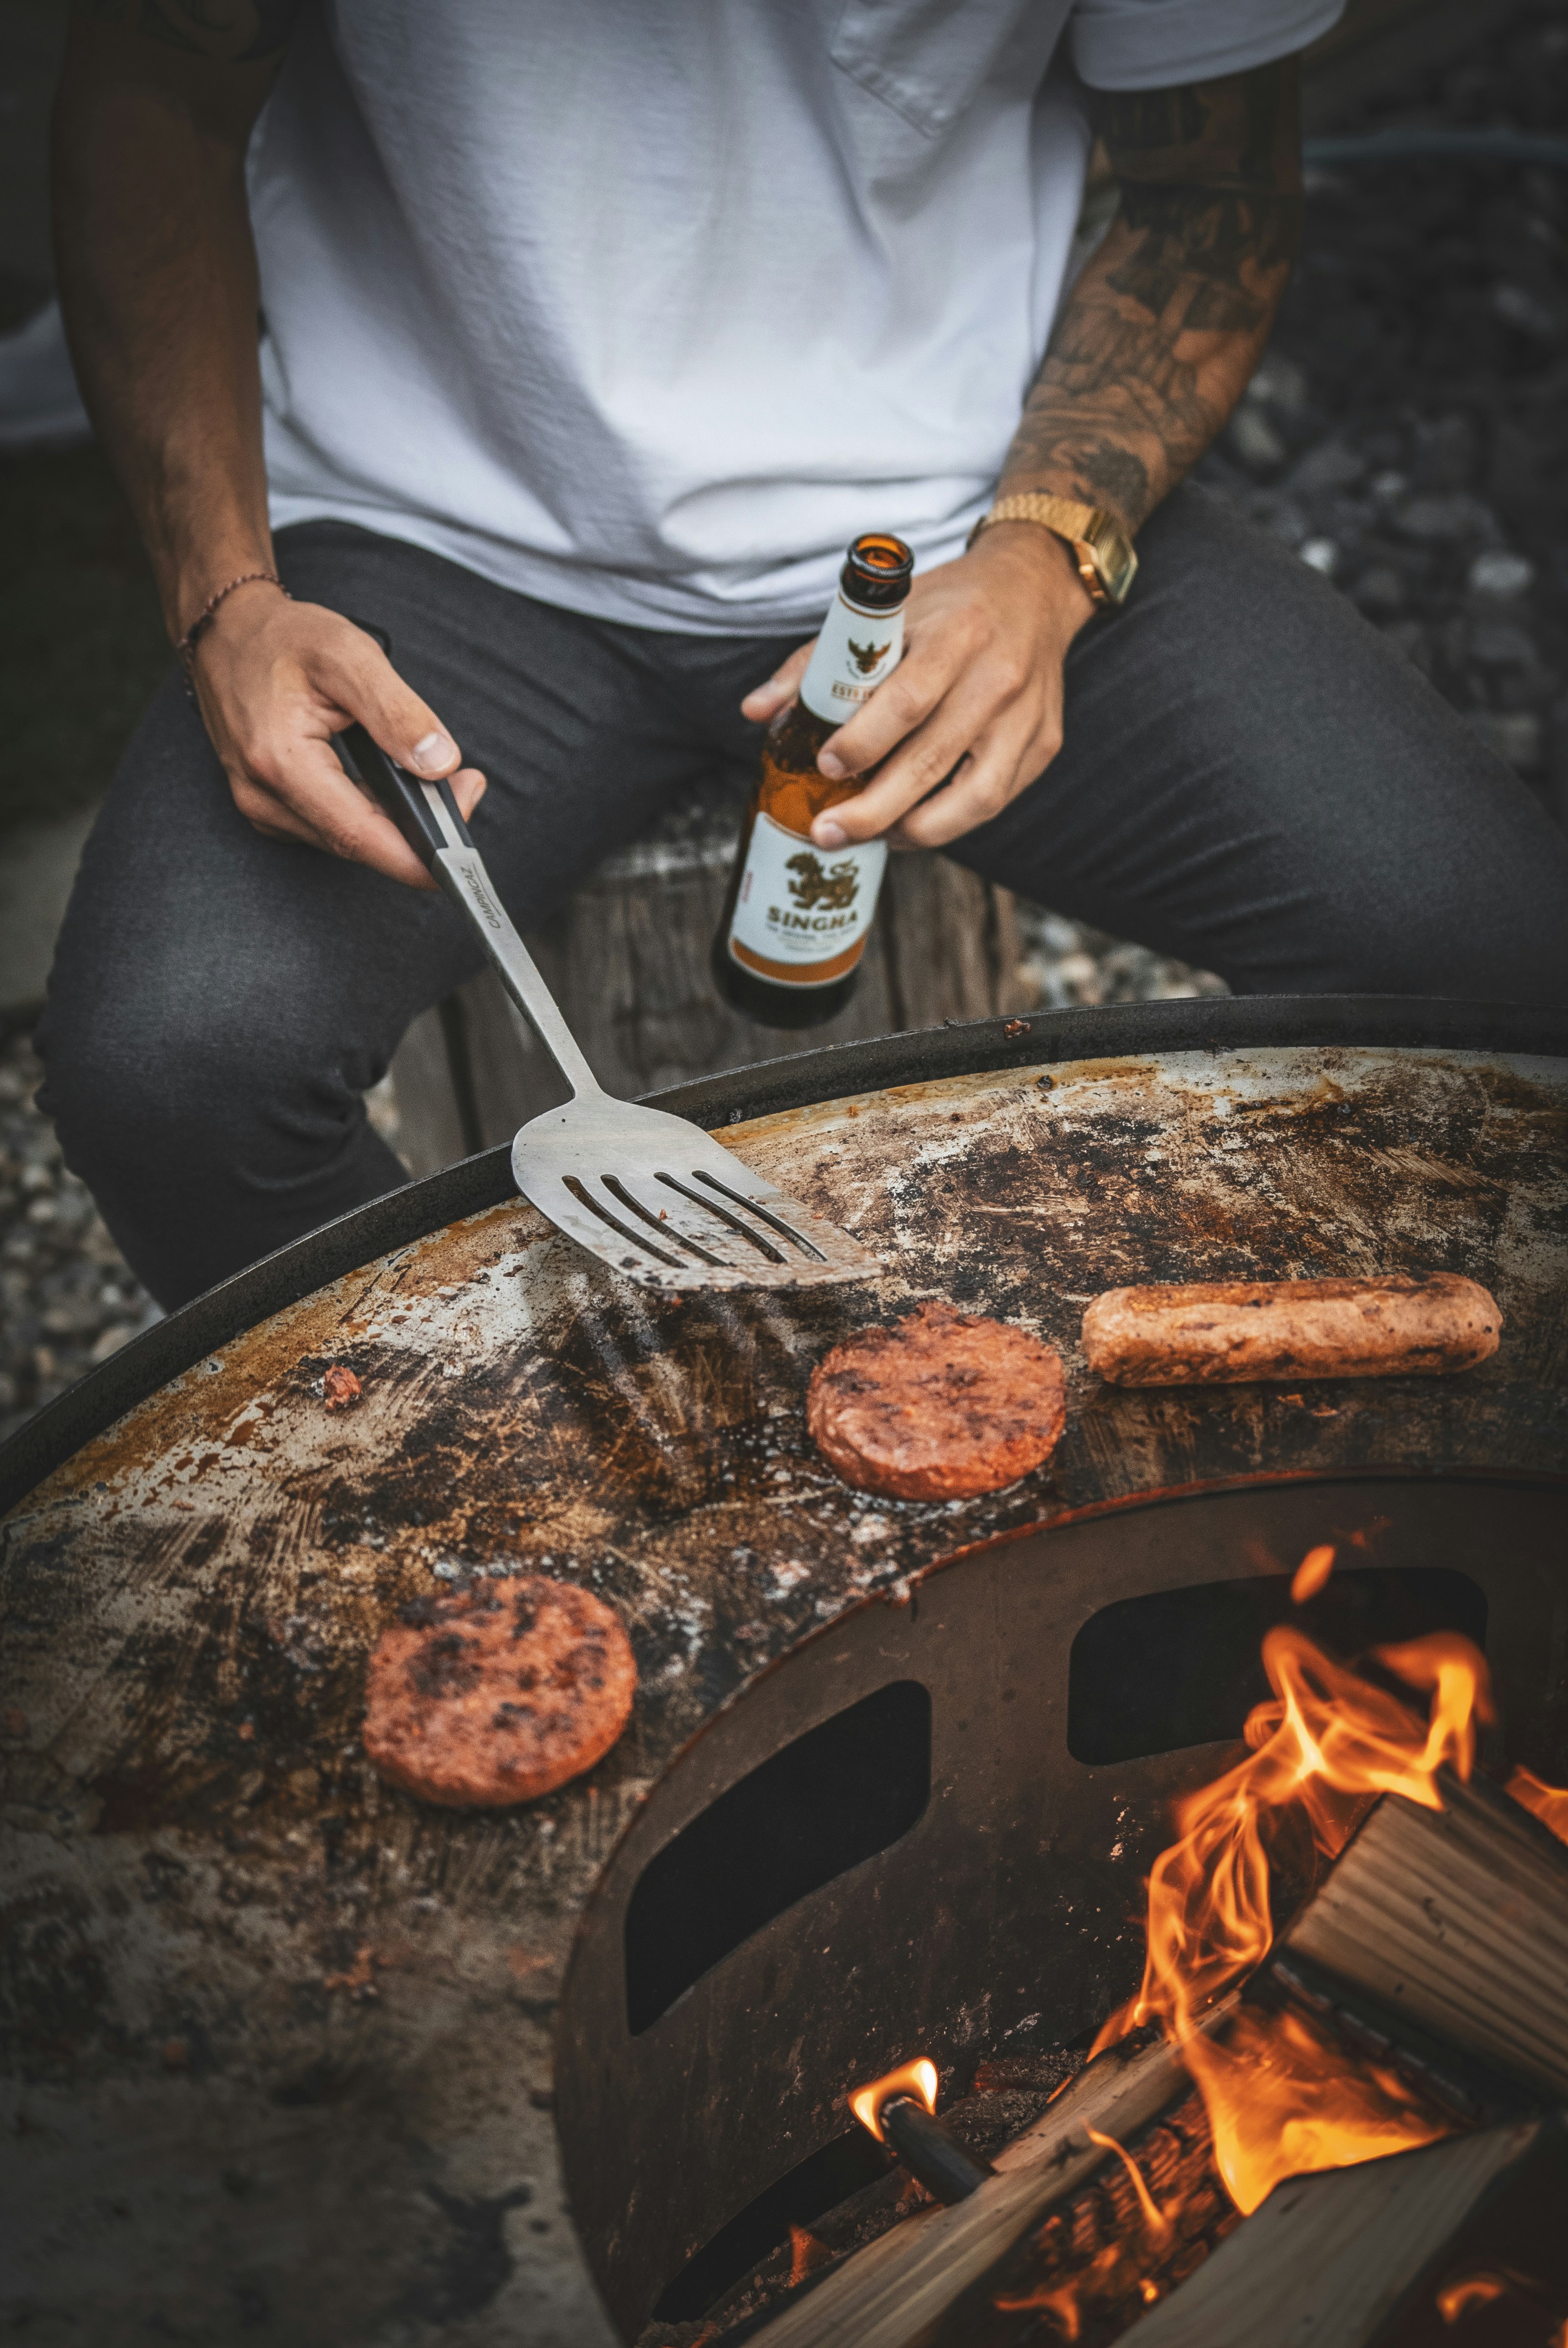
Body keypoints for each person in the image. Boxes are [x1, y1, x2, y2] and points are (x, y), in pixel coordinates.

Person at [40, 0, 1568, 1312]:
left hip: (962, 537)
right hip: (431, 547)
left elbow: (1212, 187)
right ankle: (524, 1566)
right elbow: (148, 88)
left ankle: (1297, 1557)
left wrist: (1045, 555)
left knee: (1484, 964)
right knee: (174, 1071)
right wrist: (223, 595)